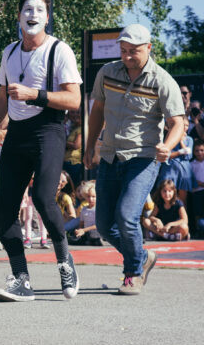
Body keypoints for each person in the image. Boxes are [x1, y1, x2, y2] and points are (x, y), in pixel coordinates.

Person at [0, 0, 82, 302]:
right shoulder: (8, 52)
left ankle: (64, 261)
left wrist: (36, 95)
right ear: (18, 17)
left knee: (43, 198)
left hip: (48, 130)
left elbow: (73, 99)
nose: (32, 15)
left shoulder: (59, 51)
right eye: (27, 10)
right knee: (3, 208)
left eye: (38, 10)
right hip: (17, 134)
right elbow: (2, 99)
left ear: (47, 18)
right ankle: (21, 279)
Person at [83, 23, 185, 295]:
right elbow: (97, 112)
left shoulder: (163, 81)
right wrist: (90, 145)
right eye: (123, 50)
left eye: (134, 52)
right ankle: (143, 255)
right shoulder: (107, 73)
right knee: (104, 226)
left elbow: (178, 123)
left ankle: (133, 274)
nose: (127, 56)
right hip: (109, 156)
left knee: (127, 216)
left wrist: (168, 145)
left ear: (149, 48)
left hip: (143, 157)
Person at [155, 116, 195, 205]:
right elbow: (166, 155)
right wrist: (180, 152)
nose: (185, 127)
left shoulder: (189, 139)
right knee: (165, 197)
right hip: (169, 169)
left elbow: (188, 155)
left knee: (182, 200)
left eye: (187, 125)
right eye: (183, 125)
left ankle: (183, 218)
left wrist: (180, 141)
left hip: (184, 171)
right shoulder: (169, 137)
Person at [21, 179, 50, 250]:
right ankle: (28, 238)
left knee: (41, 216)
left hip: (41, 192)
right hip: (30, 193)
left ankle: (44, 238)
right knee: (29, 216)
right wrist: (25, 193)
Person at [72, 181, 103, 246]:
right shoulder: (84, 209)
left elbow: (98, 225)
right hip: (86, 232)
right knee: (73, 239)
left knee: (94, 234)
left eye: (93, 197)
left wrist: (83, 230)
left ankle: (94, 240)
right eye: (88, 196)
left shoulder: (98, 209)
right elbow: (81, 223)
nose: (91, 199)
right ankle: (87, 240)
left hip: (95, 231)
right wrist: (79, 230)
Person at [63, 108, 82, 187]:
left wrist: (61, 142)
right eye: (72, 112)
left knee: (71, 187)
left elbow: (76, 145)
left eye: (78, 112)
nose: (75, 115)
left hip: (73, 163)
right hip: (67, 161)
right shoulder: (72, 128)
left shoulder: (81, 128)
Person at [191, 139, 204, 236]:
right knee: (197, 212)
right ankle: (198, 230)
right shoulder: (192, 164)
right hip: (197, 191)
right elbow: (192, 179)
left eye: (202, 150)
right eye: (197, 150)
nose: (199, 153)